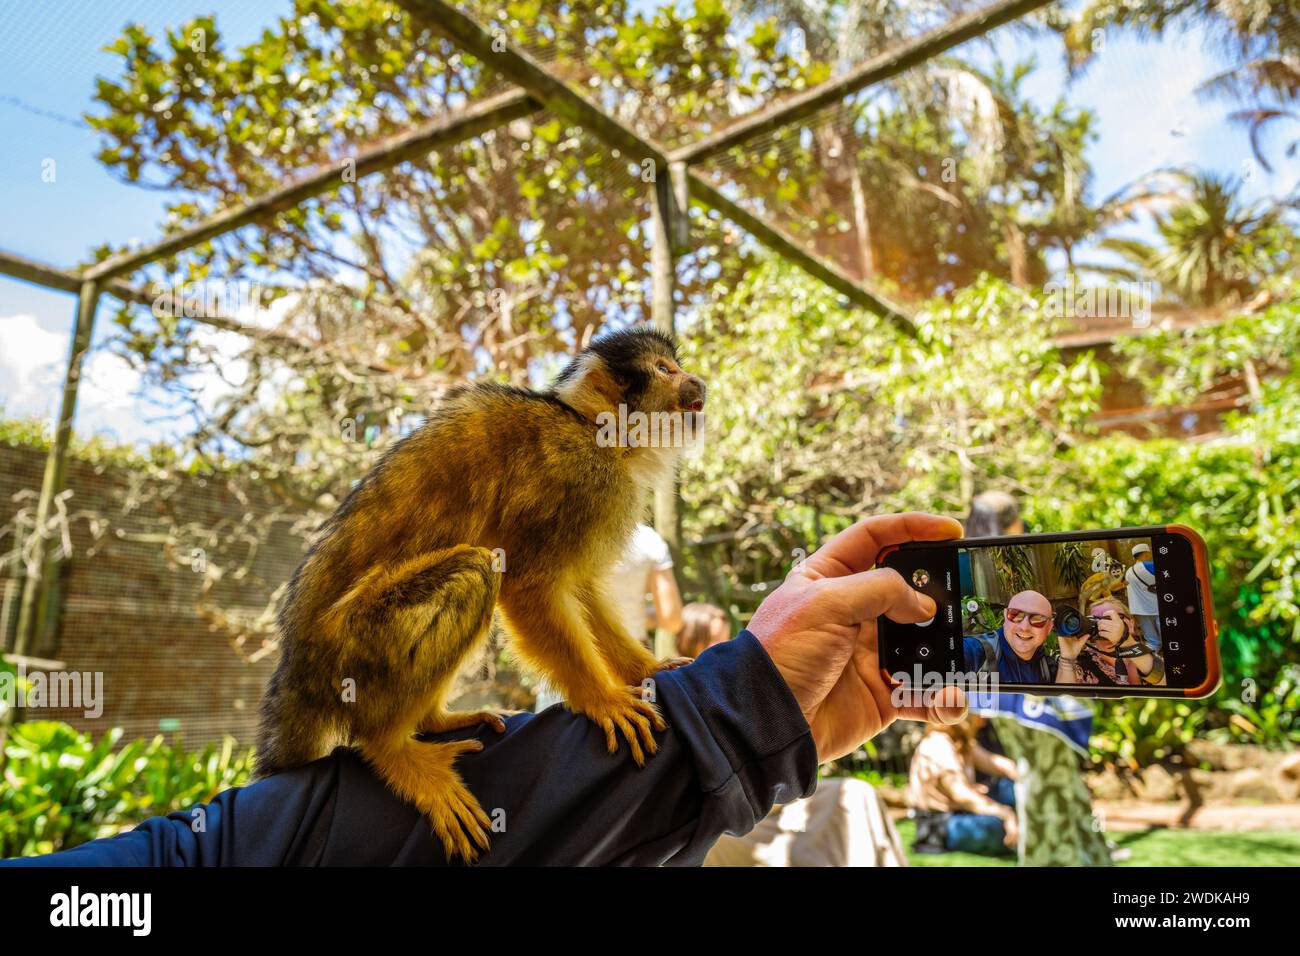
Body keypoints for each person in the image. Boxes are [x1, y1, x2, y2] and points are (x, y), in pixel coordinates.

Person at [0, 513, 968, 867]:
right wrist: (702, 708)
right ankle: (396, 735)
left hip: (356, 697)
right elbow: (534, 597)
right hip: (362, 653)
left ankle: (410, 727)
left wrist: (696, 705)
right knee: (473, 580)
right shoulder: (573, 471)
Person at [961, 490, 1113, 867]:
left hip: (1010, 681)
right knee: (1048, 775)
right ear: (1014, 520)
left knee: (1042, 775)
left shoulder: (966, 553)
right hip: (1028, 683)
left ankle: (1078, 853)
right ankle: (1057, 857)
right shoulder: (1016, 551)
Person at [535, 522, 684, 711]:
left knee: (556, 739)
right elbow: (671, 618)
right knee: (645, 735)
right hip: (632, 663)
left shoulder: (557, 529)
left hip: (567, 658)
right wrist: (638, 616)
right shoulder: (650, 541)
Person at [908, 715, 1018, 856]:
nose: (985, 717)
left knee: (1009, 787)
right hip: (943, 824)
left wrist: (1029, 778)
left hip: (963, 812)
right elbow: (960, 794)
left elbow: (998, 765)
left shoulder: (963, 743)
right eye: (977, 712)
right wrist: (1005, 813)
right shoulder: (939, 742)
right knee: (996, 826)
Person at [1057, 588, 1165, 687]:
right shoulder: (1082, 664)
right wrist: (1067, 659)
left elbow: (1171, 683)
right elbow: (1064, 701)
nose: (1104, 628)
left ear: (1130, 625)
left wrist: (1126, 643)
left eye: (1111, 620)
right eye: (1097, 622)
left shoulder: (1147, 656)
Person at [962, 590, 1058, 683]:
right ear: (1005, 616)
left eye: (1038, 620)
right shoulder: (977, 651)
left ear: (1049, 628)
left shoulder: (1045, 665)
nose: (1024, 627)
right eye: (1015, 615)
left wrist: (1067, 658)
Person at [1125, 543, 1161, 651]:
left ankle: (1153, 650)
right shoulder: (1150, 566)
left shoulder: (1128, 572)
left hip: (1140, 609)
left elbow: (1128, 592)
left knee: (1151, 640)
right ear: (1145, 554)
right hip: (1156, 606)